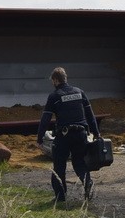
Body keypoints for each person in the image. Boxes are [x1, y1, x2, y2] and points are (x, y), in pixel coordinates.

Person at [36, 67, 100, 203]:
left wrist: (40, 137)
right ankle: (87, 182)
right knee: (79, 162)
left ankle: (60, 197)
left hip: (64, 135)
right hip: (81, 134)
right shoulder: (79, 92)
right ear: (65, 78)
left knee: (59, 165)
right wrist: (96, 133)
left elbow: (45, 119)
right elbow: (90, 115)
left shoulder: (54, 96)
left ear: (55, 80)